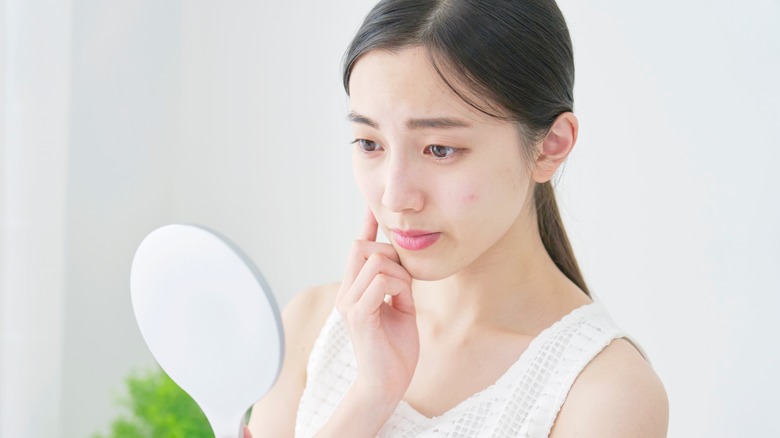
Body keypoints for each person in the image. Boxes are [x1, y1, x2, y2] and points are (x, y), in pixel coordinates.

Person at [247, 0, 668, 436]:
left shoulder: (604, 393)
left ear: (550, 146)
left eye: (440, 149)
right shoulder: (311, 323)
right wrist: (370, 396)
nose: (395, 197)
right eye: (370, 144)